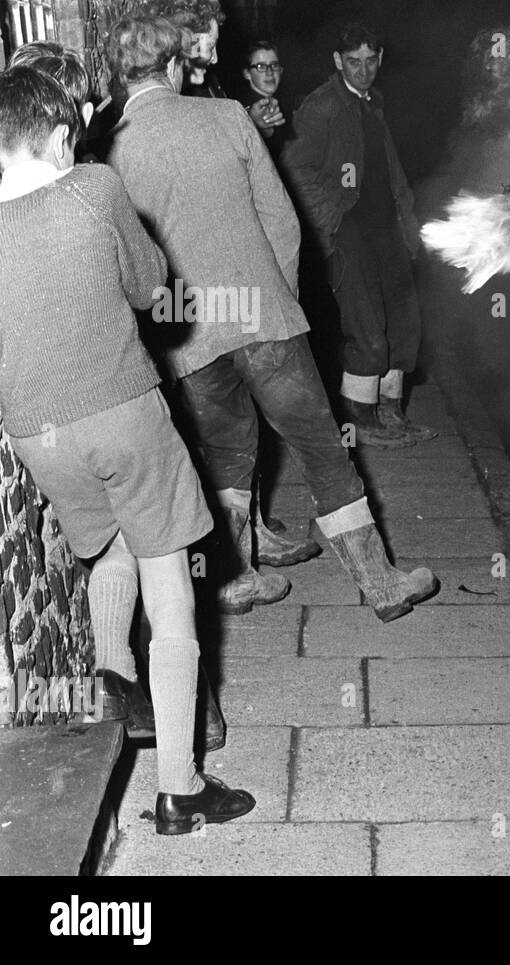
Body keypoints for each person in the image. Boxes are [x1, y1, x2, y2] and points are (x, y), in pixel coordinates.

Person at [105, 12, 438, 623]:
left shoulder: (112, 152)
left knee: (226, 453)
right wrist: (278, 299)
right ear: (177, 65)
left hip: (191, 334)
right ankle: (380, 584)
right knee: (321, 447)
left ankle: (233, 579)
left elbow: (131, 263)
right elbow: (284, 221)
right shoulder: (226, 116)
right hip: (263, 319)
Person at [0, 65, 255, 833]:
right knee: (171, 587)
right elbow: (151, 288)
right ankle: (180, 786)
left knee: (111, 538)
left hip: (38, 437)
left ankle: (113, 673)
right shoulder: (91, 185)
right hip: (123, 414)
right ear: (53, 138)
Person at [281, 22, 435, 448]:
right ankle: (360, 417)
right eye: (354, 62)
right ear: (337, 61)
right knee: (366, 325)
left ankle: (391, 411)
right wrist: (336, 208)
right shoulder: (323, 107)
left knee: (403, 322)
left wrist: (409, 225)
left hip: (387, 231)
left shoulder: (371, 103)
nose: (364, 70)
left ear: (380, 59)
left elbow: (389, 174)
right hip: (350, 233)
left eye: (371, 61)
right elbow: (295, 168)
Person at [241, 40, 290, 156]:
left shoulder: (281, 104)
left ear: (281, 70)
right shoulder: (247, 109)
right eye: (261, 66)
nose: (270, 72)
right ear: (247, 73)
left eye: (274, 65)